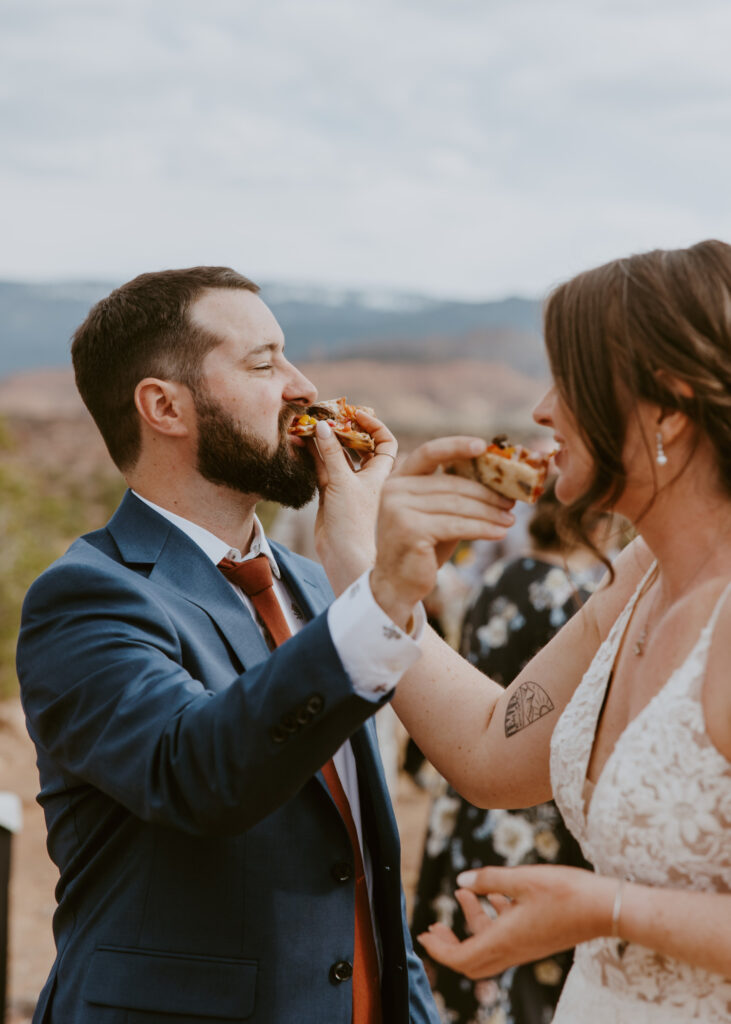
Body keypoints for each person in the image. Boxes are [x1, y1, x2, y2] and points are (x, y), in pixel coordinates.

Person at [16, 267, 478, 1024]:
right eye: (264, 365)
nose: (303, 387)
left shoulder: (316, 582)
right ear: (165, 406)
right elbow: (198, 770)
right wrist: (384, 589)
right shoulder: (87, 597)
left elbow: (358, 858)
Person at [351, 240, 731, 1022]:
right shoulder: (639, 577)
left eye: (568, 377)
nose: (541, 410)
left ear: (667, 405)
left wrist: (605, 910)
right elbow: (490, 752)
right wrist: (377, 573)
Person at [411, 482, 604, 1024]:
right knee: (521, 955)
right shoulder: (578, 594)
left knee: (464, 911)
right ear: (593, 522)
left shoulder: (498, 575)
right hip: (532, 794)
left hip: (467, 770)